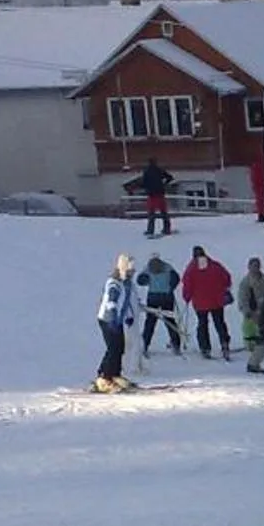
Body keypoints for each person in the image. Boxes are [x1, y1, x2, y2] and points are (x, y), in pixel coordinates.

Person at [181, 245, 235, 360]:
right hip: (217, 301)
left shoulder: (191, 269)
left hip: (200, 302)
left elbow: (187, 284)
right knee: (220, 323)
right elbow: (227, 278)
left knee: (203, 324)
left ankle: (205, 348)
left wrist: (186, 297)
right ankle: (224, 343)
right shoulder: (215, 265)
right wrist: (223, 288)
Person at [95, 253, 139, 392]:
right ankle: (104, 376)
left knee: (120, 347)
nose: (132, 273)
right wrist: (113, 316)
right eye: (130, 270)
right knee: (113, 348)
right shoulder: (114, 282)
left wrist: (129, 316)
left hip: (117, 320)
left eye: (133, 271)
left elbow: (126, 302)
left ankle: (115, 374)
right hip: (108, 319)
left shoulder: (126, 283)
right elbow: (111, 301)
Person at [237, 258, 264, 373]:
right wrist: (247, 312)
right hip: (251, 314)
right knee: (252, 339)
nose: (255, 268)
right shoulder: (245, 282)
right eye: (253, 266)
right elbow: (242, 299)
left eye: (257, 266)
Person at [138, 253, 183, 358]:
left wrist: (148, 281)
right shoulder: (167, 267)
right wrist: (171, 287)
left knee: (150, 322)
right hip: (167, 297)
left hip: (153, 297)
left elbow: (140, 281)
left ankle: (145, 345)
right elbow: (176, 278)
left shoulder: (148, 268)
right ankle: (176, 344)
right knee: (170, 321)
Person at [124, 158, 174, 237]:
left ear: (149, 163)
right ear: (156, 162)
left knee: (151, 214)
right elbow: (170, 178)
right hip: (160, 194)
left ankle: (150, 230)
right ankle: (167, 229)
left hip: (152, 195)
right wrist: (164, 184)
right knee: (164, 212)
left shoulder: (147, 172)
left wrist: (138, 187)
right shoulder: (160, 170)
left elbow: (143, 183)